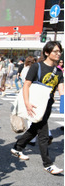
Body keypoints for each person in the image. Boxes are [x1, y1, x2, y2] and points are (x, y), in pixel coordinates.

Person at [11, 41, 64, 175]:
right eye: (55, 51)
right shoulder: (36, 67)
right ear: (47, 52)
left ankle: (18, 147)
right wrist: (27, 103)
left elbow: (61, 89)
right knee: (43, 134)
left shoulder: (58, 71)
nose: (58, 54)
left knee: (35, 128)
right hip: (35, 104)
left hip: (48, 105)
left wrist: (63, 107)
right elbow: (26, 85)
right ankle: (48, 164)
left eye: (60, 51)